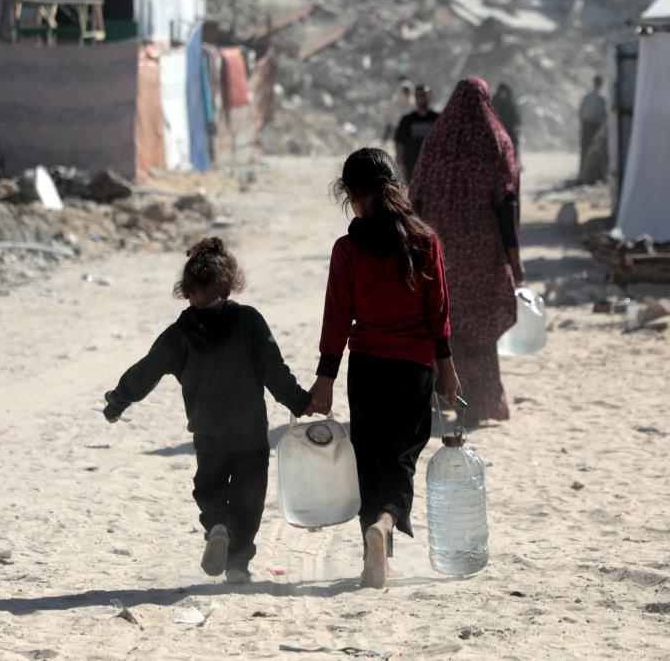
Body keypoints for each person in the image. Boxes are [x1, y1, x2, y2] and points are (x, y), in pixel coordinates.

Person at [102, 237, 313, 585]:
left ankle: (217, 524)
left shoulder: (178, 335)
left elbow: (147, 369)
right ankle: (238, 562)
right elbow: (274, 369)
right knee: (249, 499)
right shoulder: (249, 321)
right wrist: (300, 402)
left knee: (209, 488)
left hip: (209, 434)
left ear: (187, 292)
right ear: (228, 287)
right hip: (249, 434)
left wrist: (118, 401)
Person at [308, 147, 461, 589]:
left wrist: (325, 378)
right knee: (401, 459)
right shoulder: (424, 241)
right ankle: (387, 524)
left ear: (352, 195)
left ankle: (373, 558)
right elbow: (439, 313)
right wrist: (446, 368)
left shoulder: (348, 248)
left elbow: (336, 316)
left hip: (368, 367)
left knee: (370, 460)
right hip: (414, 367)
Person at [409, 77, 523, 423]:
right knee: (479, 330)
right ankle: (479, 404)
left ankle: (442, 400)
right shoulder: (496, 140)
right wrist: (514, 257)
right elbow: (506, 202)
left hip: (439, 254)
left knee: (443, 326)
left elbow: (417, 197)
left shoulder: (437, 141)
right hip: (483, 254)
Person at [393, 83, 439, 184]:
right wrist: (399, 170)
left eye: (425, 95)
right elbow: (400, 145)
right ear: (415, 97)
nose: (422, 98)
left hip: (433, 171)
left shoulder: (438, 119)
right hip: (411, 171)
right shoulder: (407, 121)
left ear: (430, 96)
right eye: (419, 95)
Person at [579, 75, 607, 176]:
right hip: (593, 126)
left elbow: (581, 112)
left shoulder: (588, 98)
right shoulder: (601, 100)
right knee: (592, 149)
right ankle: (588, 174)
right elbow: (603, 116)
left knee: (586, 149)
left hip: (588, 125)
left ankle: (585, 173)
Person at [491, 82, 520, 156]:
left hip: (510, 129)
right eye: (501, 92)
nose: (503, 94)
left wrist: (516, 125)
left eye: (504, 92)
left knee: (513, 146)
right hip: (497, 130)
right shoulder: (494, 102)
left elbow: (516, 116)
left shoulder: (511, 103)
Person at [383, 78, 414, 143]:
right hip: (395, 124)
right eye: (404, 90)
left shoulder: (412, 102)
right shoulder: (396, 100)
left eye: (407, 91)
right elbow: (392, 113)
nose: (406, 92)